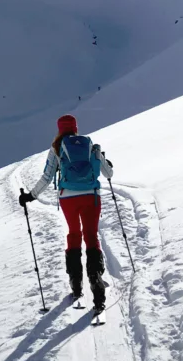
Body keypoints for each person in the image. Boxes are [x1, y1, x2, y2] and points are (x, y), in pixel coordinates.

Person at [19, 114, 113, 314]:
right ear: (76, 127)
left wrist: (31, 196)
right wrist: (106, 164)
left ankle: (76, 284)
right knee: (91, 236)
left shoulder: (56, 149)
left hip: (68, 198)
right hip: (91, 196)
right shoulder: (89, 144)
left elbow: (47, 176)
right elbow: (108, 174)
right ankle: (96, 282)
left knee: (73, 234)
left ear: (60, 129)